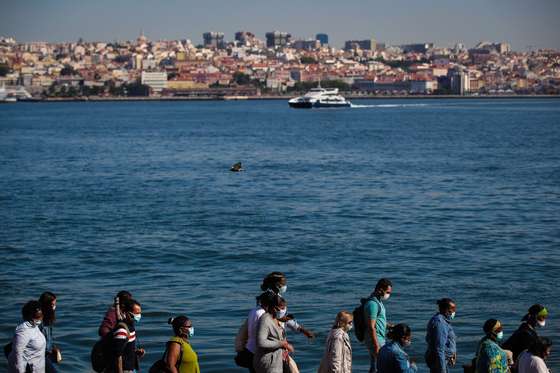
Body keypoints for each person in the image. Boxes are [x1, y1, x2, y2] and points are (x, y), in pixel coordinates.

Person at [260, 272, 315, 339]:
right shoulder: (269, 300)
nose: (285, 286)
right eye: (284, 284)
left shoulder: (278, 297)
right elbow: (279, 317)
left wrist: (302, 330)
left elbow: (281, 317)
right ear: (277, 285)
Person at [253, 291, 294, 373]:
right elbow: (261, 342)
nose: (283, 311)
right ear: (275, 308)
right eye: (282, 308)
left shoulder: (275, 318)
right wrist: (282, 343)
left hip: (277, 360)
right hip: (268, 362)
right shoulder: (265, 320)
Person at [105, 298, 144, 373]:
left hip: (131, 368)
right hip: (124, 370)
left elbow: (125, 349)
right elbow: (117, 355)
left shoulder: (131, 327)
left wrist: (136, 352)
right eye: (136, 313)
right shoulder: (122, 330)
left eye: (140, 313)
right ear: (126, 313)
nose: (138, 316)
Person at [8, 300, 47, 373]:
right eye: (37, 316)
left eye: (41, 315)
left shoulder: (34, 326)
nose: (40, 318)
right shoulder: (23, 331)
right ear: (30, 316)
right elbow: (17, 354)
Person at [364, 278, 393, 373]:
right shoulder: (373, 304)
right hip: (376, 340)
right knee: (380, 367)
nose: (389, 295)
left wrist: (388, 326)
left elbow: (378, 321)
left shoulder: (378, 302)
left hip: (378, 338)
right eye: (388, 292)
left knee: (375, 366)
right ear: (380, 289)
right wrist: (376, 345)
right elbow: (371, 326)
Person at [425, 298, 457, 373]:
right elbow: (439, 348)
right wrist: (442, 370)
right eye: (452, 309)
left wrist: (453, 354)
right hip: (439, 362)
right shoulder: (440, 323)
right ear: (446, 309)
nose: (454, 312)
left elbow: (448, 341)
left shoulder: (444, 321)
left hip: (445, 359)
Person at [38, 292, 59, 373]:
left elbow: (47, 339)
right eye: (52, 305)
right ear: (46, 306)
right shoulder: (39, 322)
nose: (54, 307)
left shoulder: (48, 319)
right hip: (40, 357)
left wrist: (53, 347)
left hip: (47, 355)